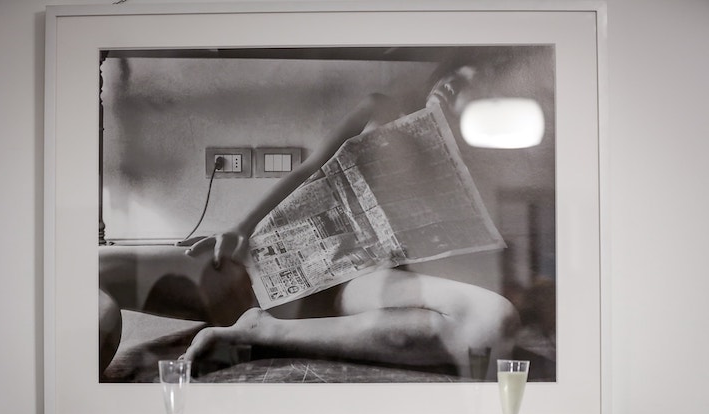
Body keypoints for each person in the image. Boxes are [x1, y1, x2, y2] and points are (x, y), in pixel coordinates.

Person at [99, 58, 521, 381]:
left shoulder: (492, 164)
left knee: (490, 323)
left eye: (470, 87)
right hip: (270, 260)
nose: (451, 89)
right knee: (94, 269)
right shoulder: (379, 108)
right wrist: (240, 228)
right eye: (452, 77)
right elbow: (308, 170)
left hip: (360, 286)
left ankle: (261, 334)